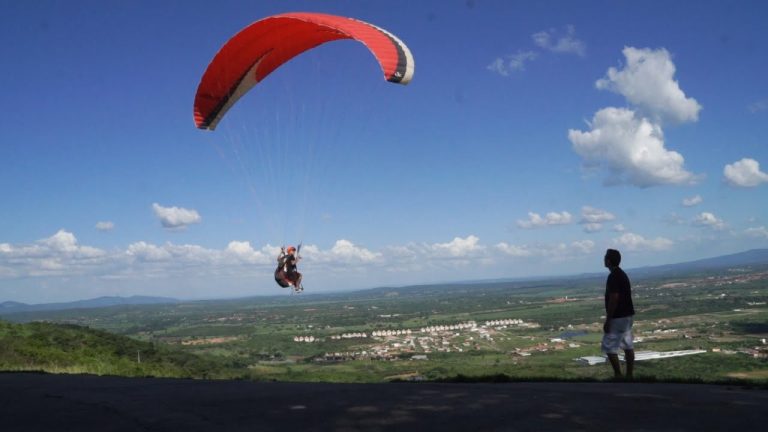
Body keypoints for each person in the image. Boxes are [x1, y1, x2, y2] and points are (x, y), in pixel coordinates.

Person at [601, 248, 635, 380]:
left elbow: (614, 298)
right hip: (627, 315)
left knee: (609, 346)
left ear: (608, 261)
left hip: (618, 316)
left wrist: (608, 319)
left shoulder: (613, 276)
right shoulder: (622, 274)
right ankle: (629, 375)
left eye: (605, 257)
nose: (604, 259)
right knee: (627, 345)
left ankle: (618, 374)